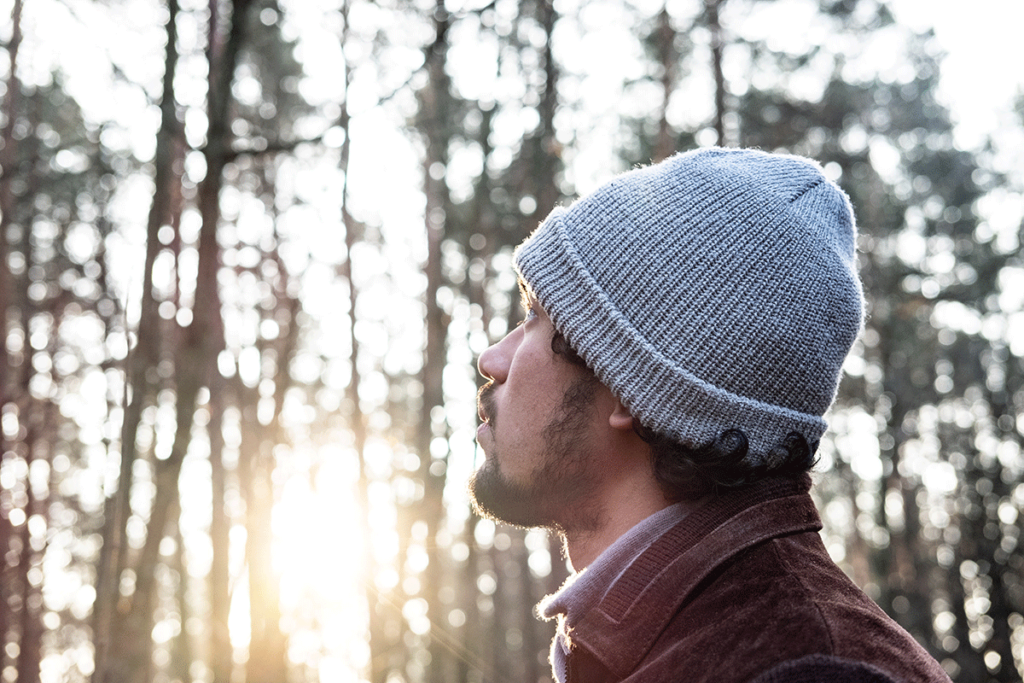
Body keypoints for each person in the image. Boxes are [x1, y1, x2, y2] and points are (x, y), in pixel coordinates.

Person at [468, 148, 951, 683]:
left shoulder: (807, 671)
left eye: (537, 315)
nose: (493, 360)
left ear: (632, 384)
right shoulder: (670, 640)